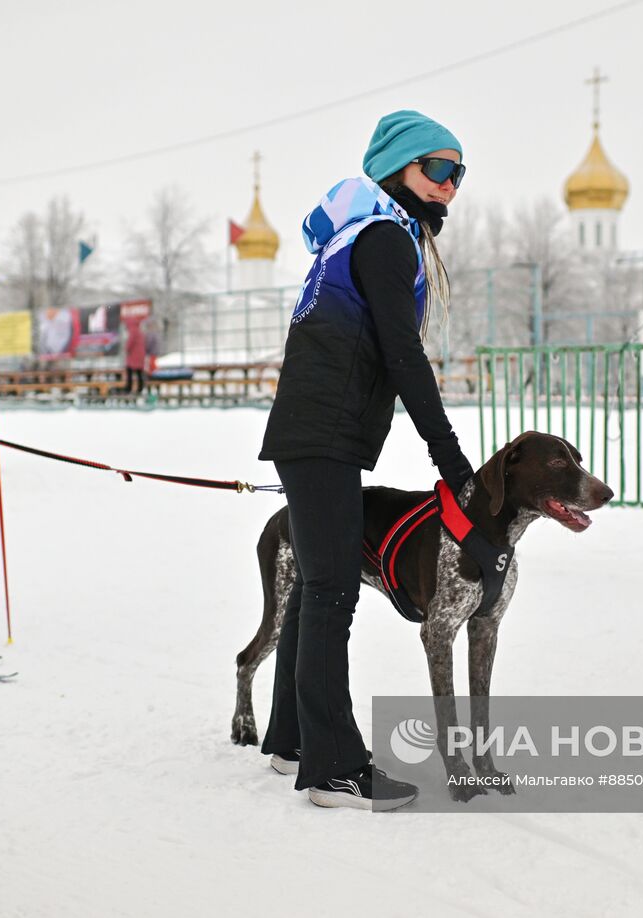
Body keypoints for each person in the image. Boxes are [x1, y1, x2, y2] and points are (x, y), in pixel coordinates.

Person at [257, 110, 476, 809]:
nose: (448, 186)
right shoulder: (384, 238)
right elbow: (401, 356)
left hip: (319, 433)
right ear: (398, 169)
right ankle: (332, 768)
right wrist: (450, 455)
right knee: (330, 592)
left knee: (321, 584)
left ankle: (293, 737)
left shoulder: (363, 235)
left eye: (458, 174)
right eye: (437, 169)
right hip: (323, 433)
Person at [123, 320, 147, 395]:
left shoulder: (133, 331)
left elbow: (129, 343)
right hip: (140, 355)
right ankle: (140, 388)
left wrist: (126, 349)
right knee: (139, 372)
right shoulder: (140, 331)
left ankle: (128, 388)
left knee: (129, 370)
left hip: (134, 355)